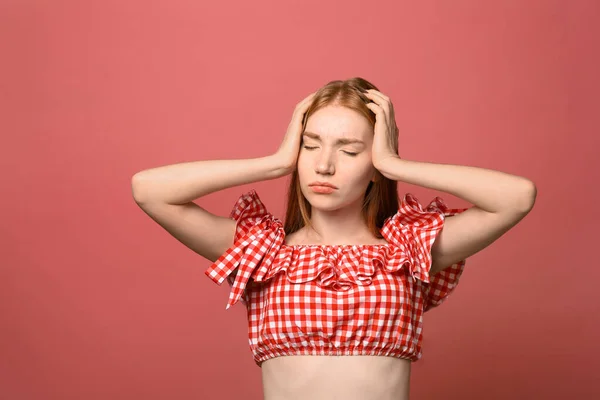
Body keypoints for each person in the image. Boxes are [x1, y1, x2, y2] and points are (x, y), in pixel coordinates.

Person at [131, 77, 537, 400]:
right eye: (310, 146)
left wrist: (394, 163)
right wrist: (275, 163)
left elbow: (516, 198)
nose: (323, 165)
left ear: (374, 164)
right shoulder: (263, 250)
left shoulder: (408, 251)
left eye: (349, 150)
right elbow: (149, 189)